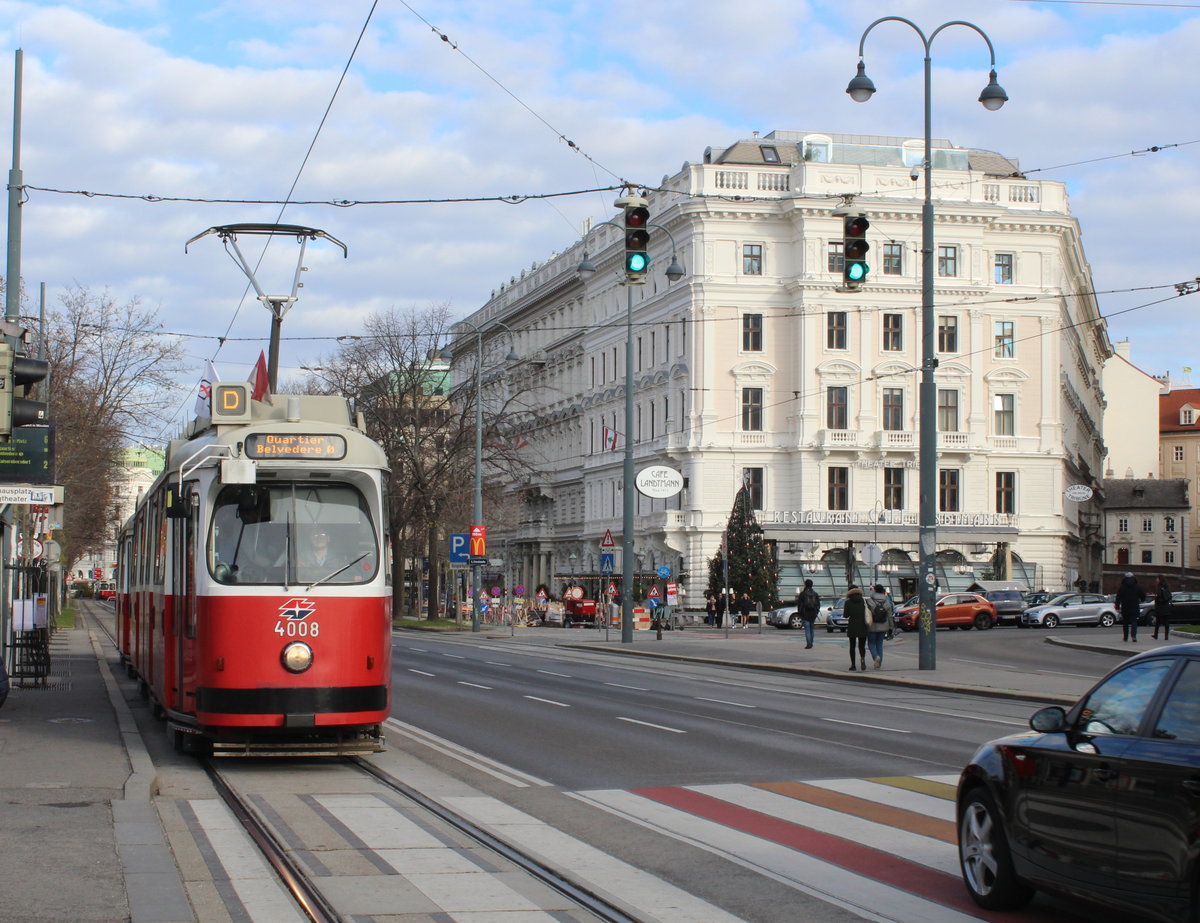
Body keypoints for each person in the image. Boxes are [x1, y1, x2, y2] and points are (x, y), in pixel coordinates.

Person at [866, 583, 894, 669]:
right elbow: (889, 615)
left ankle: (875, 657)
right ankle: (879, 663)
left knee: (871, 643)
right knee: (880, 644)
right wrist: (891, 627)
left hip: (872, 626)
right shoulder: (887, 601)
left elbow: (867, 614)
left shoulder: (869, 601)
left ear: (874, 590)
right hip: (884, 625)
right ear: (883, 591)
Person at [1115, 572, 1146, 642]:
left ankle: (1125, 637)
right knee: (1134, 622)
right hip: (1134, 606)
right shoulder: (1137, 586)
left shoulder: (1122, 587)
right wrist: (1142, 599)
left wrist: (1117, 606)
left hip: (1125, 607)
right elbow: (1143, 595)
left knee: (1125, 623)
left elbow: (1118, 597)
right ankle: (1133, 636)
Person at [843, 584, 868, 671]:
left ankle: (853, 665)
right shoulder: (864, 601)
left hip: (852, 625)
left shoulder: (848, 602)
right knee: (862, 646)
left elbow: (845, 615)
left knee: (852, 646)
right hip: (863, 625)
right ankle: (862, 658)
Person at [796, 579, 821, 649]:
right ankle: (811, 642)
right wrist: (816, 612)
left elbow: (799, 604)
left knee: (807, 629)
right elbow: (818, 604)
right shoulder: (815, 594)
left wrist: (800, 613)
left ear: (805, 584)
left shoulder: (802, 594)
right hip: (813, 613)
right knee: (811, 629)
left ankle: (809, 644)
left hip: (805, 613)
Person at [1153, 574, 1172, 641]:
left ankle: (1163, 635)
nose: (1156, 580)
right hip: (1162, 606)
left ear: (1160, 579)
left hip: (1162, 606)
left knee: (1164, 621)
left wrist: (1158, 600)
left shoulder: (1162, 586)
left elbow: (1162, 596)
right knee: (1159, 621)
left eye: (1157, 578)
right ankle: (1156, 635)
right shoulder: (1162, 586)